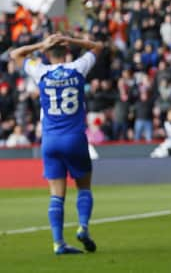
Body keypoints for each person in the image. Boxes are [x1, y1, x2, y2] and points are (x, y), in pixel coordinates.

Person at [10, 33, 103, 255]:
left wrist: (43, 43)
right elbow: (97, 46)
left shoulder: (40, 71)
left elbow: (15, 54)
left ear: (47, 54)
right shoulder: (78, 68)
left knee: (56, 194)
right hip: (74, 138)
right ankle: (83, 227)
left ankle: (58, 242)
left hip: (50, 140)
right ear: (67, 52)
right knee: (84, 186)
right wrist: (72, 40)